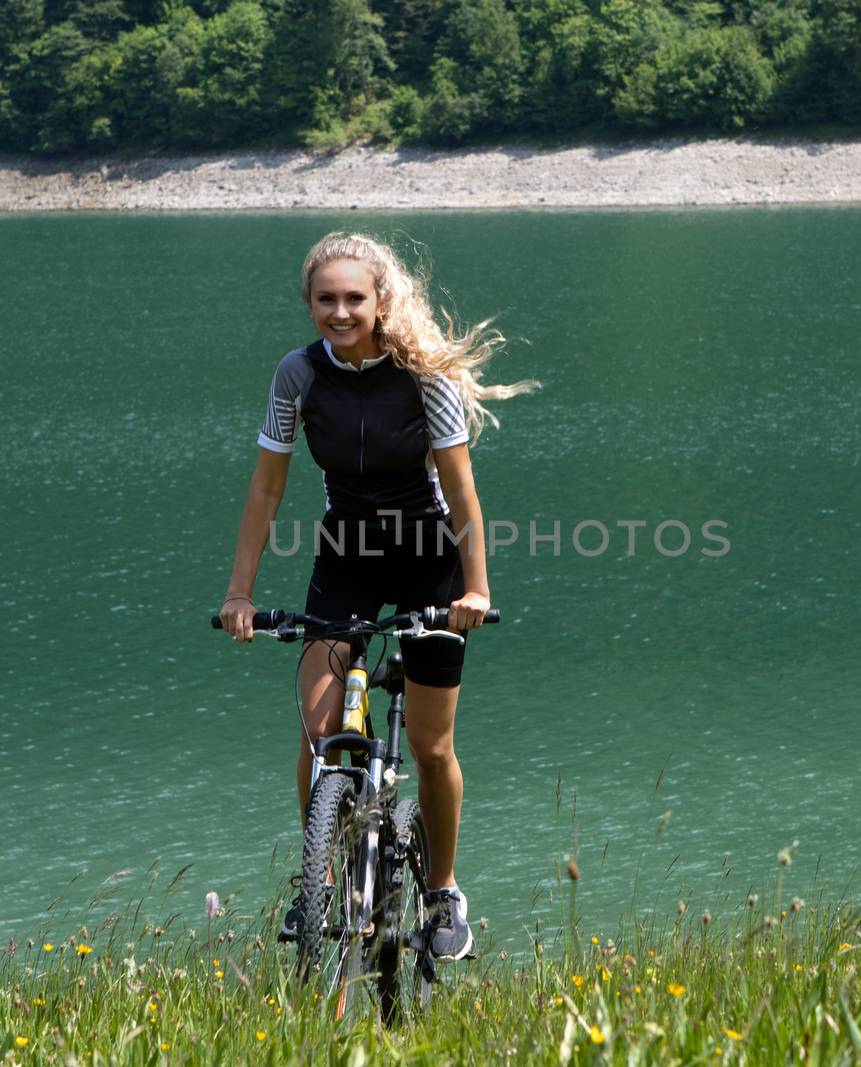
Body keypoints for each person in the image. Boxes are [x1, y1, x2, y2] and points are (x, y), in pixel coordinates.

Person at [218, 231, 535, 960]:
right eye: (325, 299)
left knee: (429, 746)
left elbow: (460, 491)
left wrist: (477, 587)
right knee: (320, 730)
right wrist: (240, 592)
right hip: (347, 558)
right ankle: (317, 883)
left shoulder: (425, 377)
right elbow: (267, 488)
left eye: (354, 298)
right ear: (309, 303)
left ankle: (443, 890)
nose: (339, 311)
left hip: (430, 562)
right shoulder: (297, 376)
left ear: (381, 300)